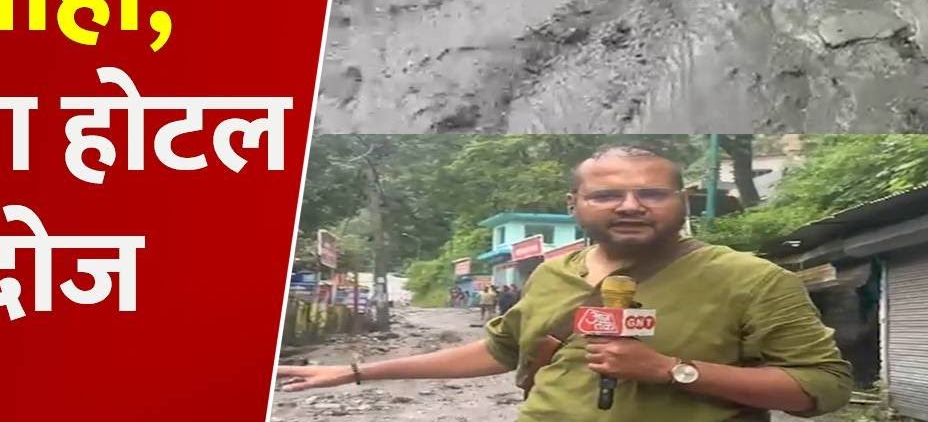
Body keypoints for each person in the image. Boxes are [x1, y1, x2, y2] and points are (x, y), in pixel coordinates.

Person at [278, 146, 854, 421]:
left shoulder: (751, 279)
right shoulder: (554, 270)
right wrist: (355, 372)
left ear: (682, 201)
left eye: (651, 193)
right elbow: (501, 349)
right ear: (574, 205)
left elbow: (823, 389)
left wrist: (670, 370)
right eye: (607, 194)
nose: (630, 206)